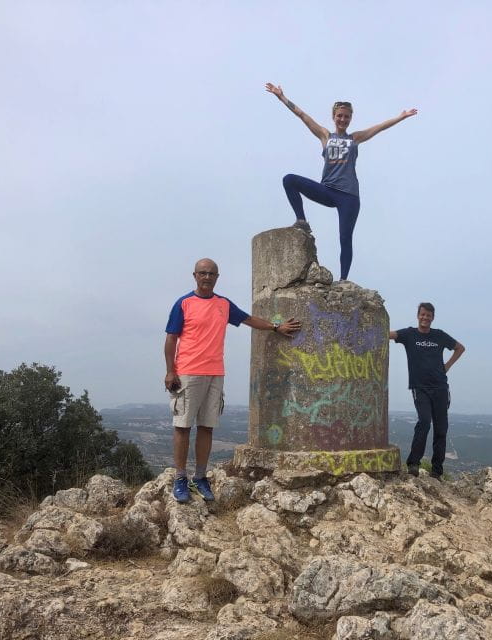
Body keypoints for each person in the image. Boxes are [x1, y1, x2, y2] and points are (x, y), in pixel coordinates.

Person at [164, 258, 300, 503]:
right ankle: (180, 478)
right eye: (203, 273)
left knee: (207, 426)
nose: (207, 277)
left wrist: (275, 326)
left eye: (211, 274)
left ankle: (201, 477)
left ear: (217, 277)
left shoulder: (223, 305)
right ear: (194, 275)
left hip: (215, 373)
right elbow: (171, 338)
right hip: (187, 372)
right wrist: (170, 371)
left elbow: (249, 319)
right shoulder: (183, 303)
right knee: (183, 426)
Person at [265, 82, 417, 280]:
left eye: (346, 116)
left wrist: (401, 116)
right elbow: (302, 115)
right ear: (334, 117)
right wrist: (281, 97)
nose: (343, 119)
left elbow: (379, 128)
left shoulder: (355, 138)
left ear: (350, 118)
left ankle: (343, 280)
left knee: (345, 238)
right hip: (327, 190)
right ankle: (301, 221)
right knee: (289, 180)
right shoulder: (325, 135)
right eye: (340, 116)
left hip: (349, 197)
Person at [389, 302, 465, 479]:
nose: (425, 318)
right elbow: (389, 334)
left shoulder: (439, 335)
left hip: (440, 387)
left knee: (441, 429)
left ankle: (437, 471)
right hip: (420, 387)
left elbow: (460, 348)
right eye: (422, 314)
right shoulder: (409, 334)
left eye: (428, 315)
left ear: (433, 318)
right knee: (424, 422)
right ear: (418, 315)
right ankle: (413, 464)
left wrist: (447, 366)